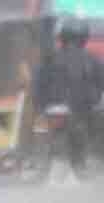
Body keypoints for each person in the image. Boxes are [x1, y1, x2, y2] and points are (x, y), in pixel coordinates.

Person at [36, 17, 104, 175]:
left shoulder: (49, 60)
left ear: (61, 37)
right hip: (83, 110)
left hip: (55, 110)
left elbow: (38, 87)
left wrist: (40, 107)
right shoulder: (92, 60)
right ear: (84, 37)